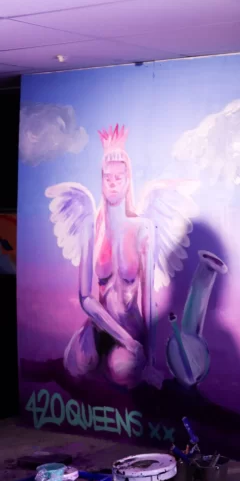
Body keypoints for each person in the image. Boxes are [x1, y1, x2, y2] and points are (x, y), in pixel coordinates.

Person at [47, 125, 196, 388]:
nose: (113, 183)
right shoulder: (91, 227)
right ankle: (104, 359)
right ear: (101, 180)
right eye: (108, 177)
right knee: (76, 363)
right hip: (100, 325)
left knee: (122, 370)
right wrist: (123, 340)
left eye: (119, 177)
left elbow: (148, 300)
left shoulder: (143, 229)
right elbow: (86, 298)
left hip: (130, 326)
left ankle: (119, 363)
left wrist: (148, 356)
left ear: (128, 181)